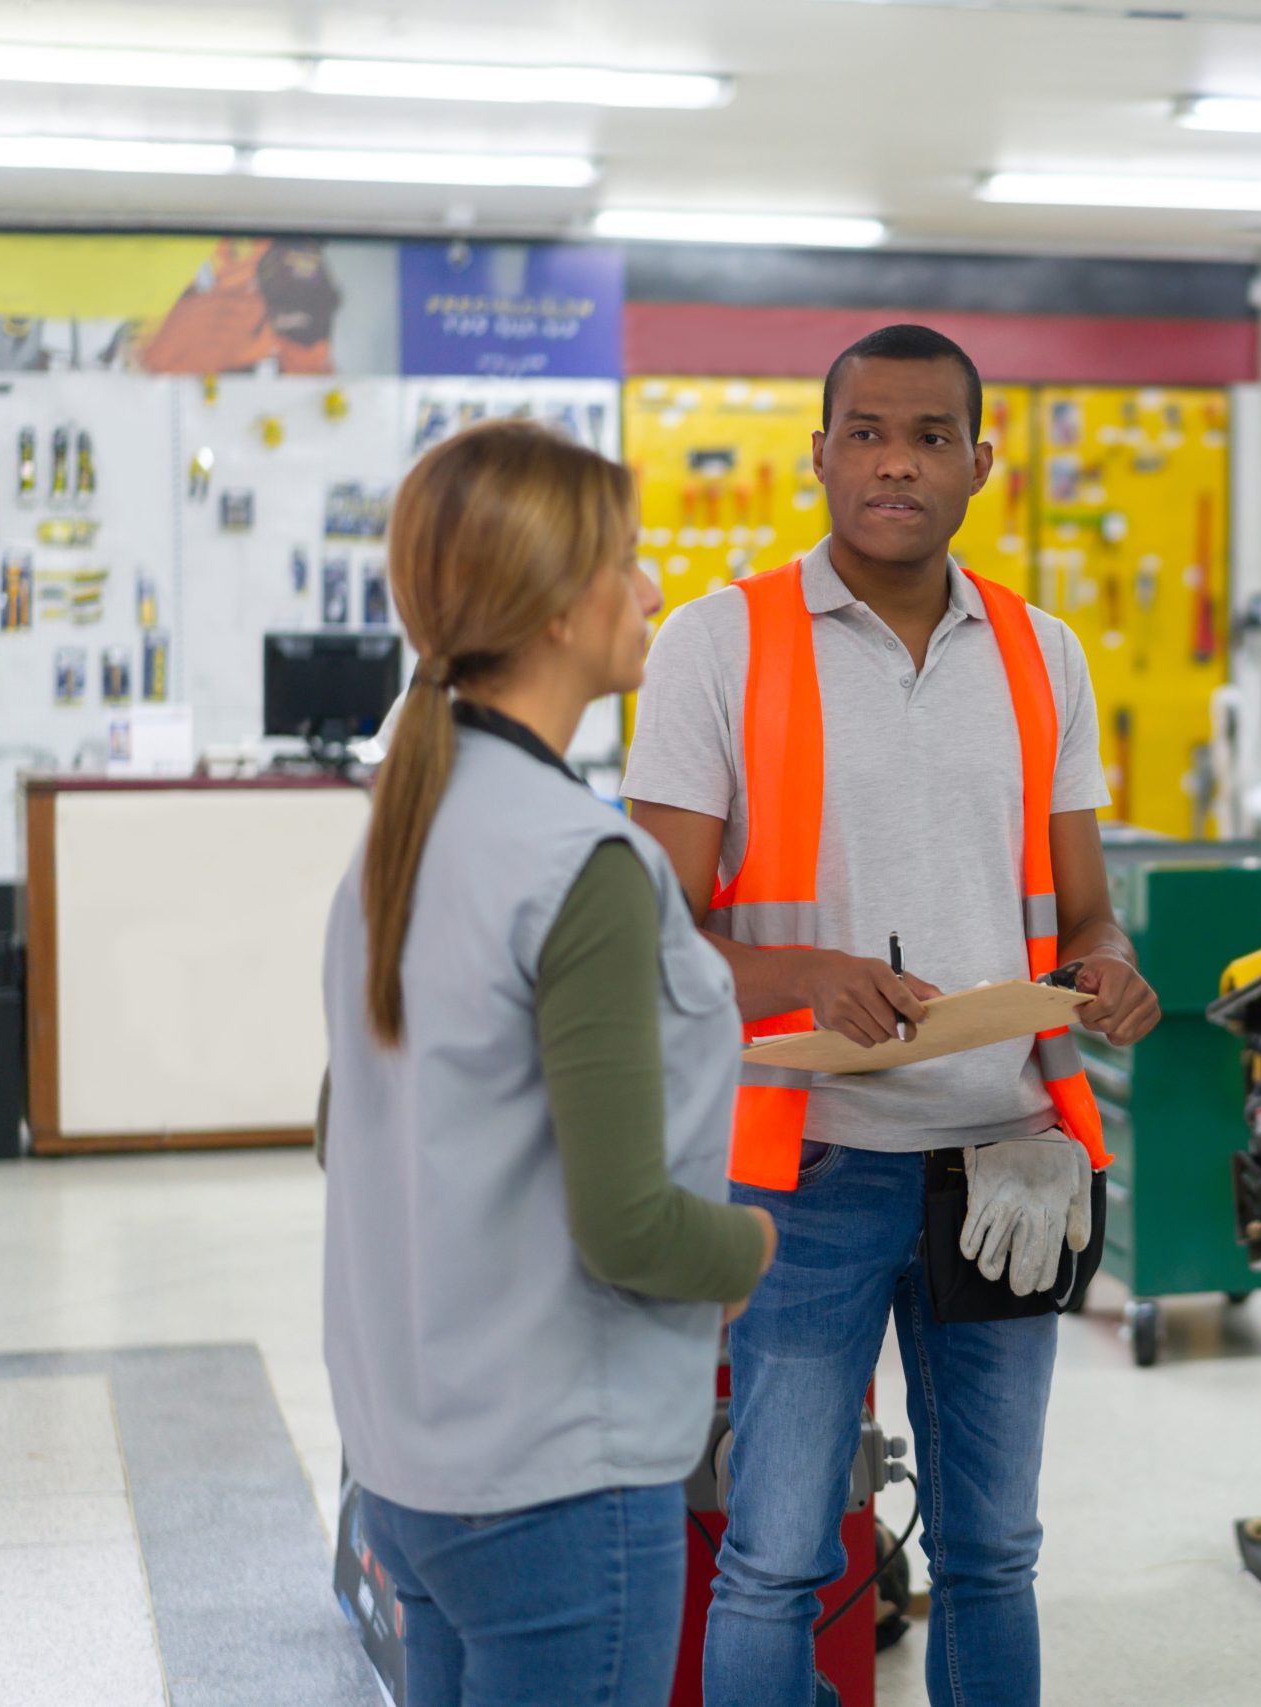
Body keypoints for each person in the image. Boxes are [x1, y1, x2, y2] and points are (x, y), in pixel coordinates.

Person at [623, 323, 1163, 1707]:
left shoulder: (1045, 654)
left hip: (1009, 1162)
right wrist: (806, 974)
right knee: (774, 1554)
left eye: (931, 437)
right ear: (817, 453)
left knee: (997, 1550)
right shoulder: (714, 645)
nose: (896, 463)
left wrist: (1106, 967)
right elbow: (648, 935)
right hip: (801, 1172)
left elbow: (1086, 906)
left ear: (981, 463)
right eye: (867, 431)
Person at [321, 420, 777, 1707]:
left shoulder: (403, 836)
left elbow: (352, 1132)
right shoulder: (583, 865)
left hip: (414, 1464)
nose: (650, 590)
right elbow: (629, 1226)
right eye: (627, 561)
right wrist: (749, 1252)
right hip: (555, 1487)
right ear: (559, 608)